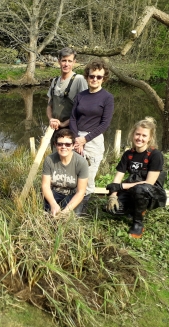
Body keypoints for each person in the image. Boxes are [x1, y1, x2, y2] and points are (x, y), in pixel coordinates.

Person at [105, 117, 167, 238]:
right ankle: (134, 209)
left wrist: (122, 186)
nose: (140, 138)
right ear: (133, 134)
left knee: (140, 190)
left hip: (151, 193)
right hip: (132, 188)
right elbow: (118, 177)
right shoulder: (128, 154)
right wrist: (113, 196)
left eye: (144, 136)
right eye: (137, 134)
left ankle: (138, 223)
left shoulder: (155, 155)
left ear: (150, 138)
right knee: (112, 210)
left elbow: (149, 182)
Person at [70, 59, 114, 212]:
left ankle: (80, 210)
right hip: (76, 139)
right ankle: (70, 205)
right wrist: (76, 138)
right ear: (87, 76)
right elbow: (73, 118)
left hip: (93, 140)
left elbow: (105, 124)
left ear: (104, 78)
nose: (94, 79)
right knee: (74, 174)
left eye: (98, 77)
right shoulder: (80, 96)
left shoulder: (107, 98)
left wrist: (85, 140)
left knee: (88, 177)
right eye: (91, 76)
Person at [47, 47, 88, 147]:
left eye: (69, 61)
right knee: (56, 159)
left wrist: (64, 124)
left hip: (71, 129)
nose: (66, 64)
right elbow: (49, 105)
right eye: (64, 60)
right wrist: (51, 119)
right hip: (55, 129)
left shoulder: (79, 80)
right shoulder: (55, 81)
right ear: (59, 61)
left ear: (74, 62)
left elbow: (84, 110)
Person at [42, 129, 89, 217]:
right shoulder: (49, 160)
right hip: (55, 192)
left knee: (70, 218)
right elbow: (45, 186)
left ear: (73, 145)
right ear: (55, 145)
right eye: (60, 144)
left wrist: (66, 211)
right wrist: (53, 204)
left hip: (72, 194)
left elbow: (81, 191)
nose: (63, 147)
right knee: (47, 214)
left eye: (67, 144)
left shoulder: (82, 162)